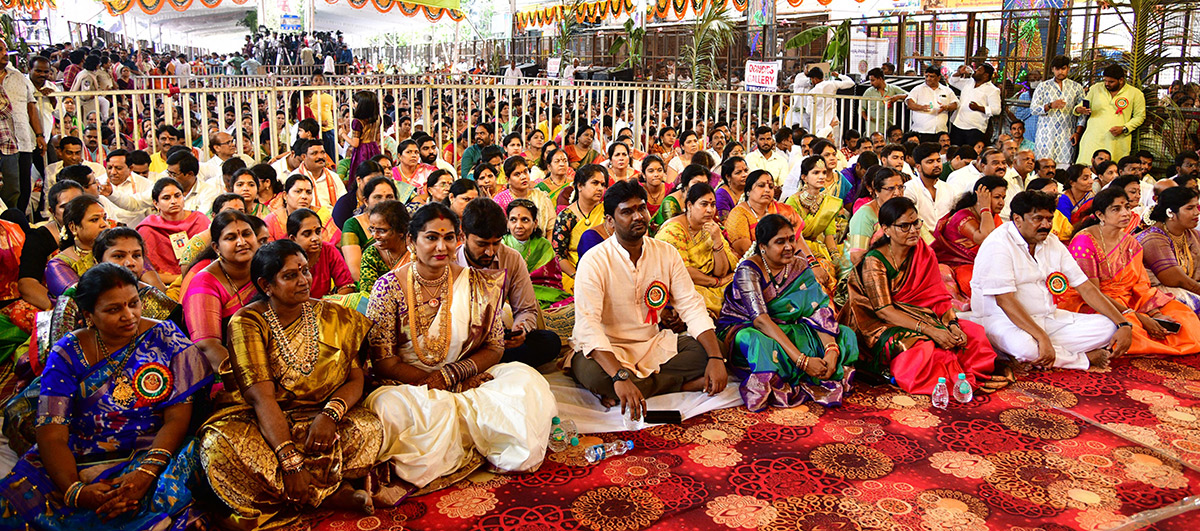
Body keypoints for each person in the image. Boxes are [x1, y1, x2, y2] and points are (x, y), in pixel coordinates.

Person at [0, 264, 211, 530]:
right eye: (114, 309)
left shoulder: (166, 338)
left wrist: (145, 473)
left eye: (134, 303)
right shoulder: (67, 352)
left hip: (149, 450)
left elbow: (177, 419)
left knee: (171, 485)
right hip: (82, 451)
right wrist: (75, 491)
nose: (129, 315)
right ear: (89, 315)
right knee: (17, 498)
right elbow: (52, 432)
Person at [364, 203, 553, 488]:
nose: (441, 246)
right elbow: (383, 361)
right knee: (390, 410)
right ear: (411, 241)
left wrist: (455, 376)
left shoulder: (478, 282)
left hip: (466, 377)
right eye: (431, 237)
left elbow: (495, 346)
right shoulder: (388, 287)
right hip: (408, 386)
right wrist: (440, 382)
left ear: (458, 239)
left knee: (526, 382)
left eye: (449, 237)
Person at [200, 240, 379, 529]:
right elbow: (260, 398)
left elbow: (355, 377)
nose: (303, 281)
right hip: (261, 420)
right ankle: (324, 493)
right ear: (266, 284)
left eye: (305, 271)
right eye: (290, 276)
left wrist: (330, 414)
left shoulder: (335, 315)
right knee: (219, 446)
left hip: (317, 416)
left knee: (368, 426)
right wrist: (290, 461)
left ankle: (304, 495)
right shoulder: (248, 321)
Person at [569, 180, 728, 420]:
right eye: (627, 211)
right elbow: (587, 325)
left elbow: (691, 306)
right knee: (595, 376)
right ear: (610, 222)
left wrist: (716, 358)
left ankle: (634, 388)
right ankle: (679, 384)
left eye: (641, 208)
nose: (638, 216)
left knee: (714, 349)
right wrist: (619, 376)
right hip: (608, 348)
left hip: (652, 344)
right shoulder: (594, 261)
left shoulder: (666, 253)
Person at [844, 197, 1002, 394]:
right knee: (923, 345)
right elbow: (884, 311)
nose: (913, 230)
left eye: (916, 223)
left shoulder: (923, 252)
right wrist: (931, 330)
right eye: (904, 226)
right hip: (875, 324)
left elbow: (938, 297)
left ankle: (964, 374)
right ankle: (949, 380)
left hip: (919, 315)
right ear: (886, 229)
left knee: (972, 333)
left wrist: (951, 324)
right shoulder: (874, 262)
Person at [971, 191, 1133, 370]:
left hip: (1047, 318)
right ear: (1017, 219)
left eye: (1049, 219)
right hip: (1002, 319)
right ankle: (1081, 359)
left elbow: (1085, 287)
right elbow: (1004, 300)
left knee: (1108, 327)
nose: (1046, 225)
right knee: (1026, 347)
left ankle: (1033, 354)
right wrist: (1041, 337)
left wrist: (1123, 323)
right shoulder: (998, 244)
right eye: (1038, 219)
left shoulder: (1051, 242)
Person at [717, 214, 858, 410]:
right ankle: (786, 377)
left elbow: (818, 309)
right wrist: (802, 360)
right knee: (757, 342)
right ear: (763, 246)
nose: (789, 246)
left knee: (846, 335)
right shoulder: (748, 270)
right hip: (749, 329)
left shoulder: (799, 265)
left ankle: (824, 370)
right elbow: (761, 321)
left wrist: (831, 352)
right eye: (780, 242)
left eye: (791, 239)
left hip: (789, 327)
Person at [1061, 187, 1200, 356]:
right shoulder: (1084, 242)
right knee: (1125, 327)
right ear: (1100, 215)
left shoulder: (1131, 243)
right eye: (1116, 209)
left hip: (1130, 300)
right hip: (1095, 303)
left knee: (1181, 314)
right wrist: (1140, 317)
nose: (1126, 213)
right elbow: (1091, 292)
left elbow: (1141, 285)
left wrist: (1155, 313)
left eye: (1127, 207)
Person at [457, 198, 563, 368]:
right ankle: (479, 363)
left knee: (549, 342)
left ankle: (484, 362)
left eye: (496, 243)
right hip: (457, 341)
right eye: (482, 244)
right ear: (463, 236)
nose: (490, 252)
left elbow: (526, 309)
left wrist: (520, 329)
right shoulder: (449, 262)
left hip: (496, 341)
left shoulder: (511, 258)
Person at [181, 210, 260, 375]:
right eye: (231, 238)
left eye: (247, 234)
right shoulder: (204, 283)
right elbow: (207, 347)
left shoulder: (265, 270)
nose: (242, 242)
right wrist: (253, 379)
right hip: (225, 374)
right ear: (216, 247)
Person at [655, 182, 736, 316]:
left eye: (713, 205)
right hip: (685, 285)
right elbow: (681, 271)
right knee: (698, 298)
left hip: (712, 284)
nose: (710, 210)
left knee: (742, 283)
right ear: (689, 205)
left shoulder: (711, 227)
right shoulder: (672, 231)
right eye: (704, 204)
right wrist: (716, 282)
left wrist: (717, 240)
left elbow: (721, 272)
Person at [932, 175, 1007, 298]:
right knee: (976, 285)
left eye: (1003, 198)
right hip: (959, 265)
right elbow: (986, 239)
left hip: (985, 264)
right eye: (997, 197)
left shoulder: (992, 216)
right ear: (981, 197)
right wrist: (985, 208)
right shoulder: (963, 217)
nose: (1001, 203)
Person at [135, 178, 210, 285]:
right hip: (162, 287)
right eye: (166, 198)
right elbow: (144, 271)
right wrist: (181, 280)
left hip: (202, 281)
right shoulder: (148, 228)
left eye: (177, 196)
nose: (173, 201)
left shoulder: (200, 220)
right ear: (156, 204)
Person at [1138, 186, 1200, 315]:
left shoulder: (1193, 235)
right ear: (1170, 213)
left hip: (1188, 288)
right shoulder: (1153, 239)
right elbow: (1174, 279)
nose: (1197, 212)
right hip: (1160, 294)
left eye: (1196, 207)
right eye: (1190, 208)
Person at [785, 155, 845, 282]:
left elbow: (829, 235)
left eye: (824, 172)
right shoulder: (792, 201)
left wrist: (835, 257)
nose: (822, 176)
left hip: (820, 249)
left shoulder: (828, 202)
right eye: (816, 173)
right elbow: (792, 235)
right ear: (804, 177)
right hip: (798, 250)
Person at [504, 198, 571, 309]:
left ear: (535, 223)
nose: (518, 225)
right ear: (507, 223)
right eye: (513, 220)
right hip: (507, 296)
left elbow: (552, 282)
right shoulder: (500, 244)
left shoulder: (543, 245)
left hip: (542, 294)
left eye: (525, 220)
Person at [552, 164, 607, 294]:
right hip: (573, 274)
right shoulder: (566, 217)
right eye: (595, 183)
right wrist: (578, 276)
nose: (600, 188)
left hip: (605, 271)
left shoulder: (607, 212)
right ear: (580, 186)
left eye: (602, 184)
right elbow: (558, 255)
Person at [1076, 64, 1146, 164]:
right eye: (1105, 80)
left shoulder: (1135, 93)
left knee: (1112, 171)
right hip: (1093, 138)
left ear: (1121, 80)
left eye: (1111, 82)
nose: (1107, 84)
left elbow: (1140, 116)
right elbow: (1083, 104)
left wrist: (1124, 128)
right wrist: (1079, 109)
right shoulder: (1096, 88)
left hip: (1117, 141)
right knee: (1086, 168)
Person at [44, 195, 105, 299]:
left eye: (104, 218)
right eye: (95, 220)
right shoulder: (58, 264)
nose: (104, 224)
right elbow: (79, 298)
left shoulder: (114, 250)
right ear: (73, 227)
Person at [287, 208, 354, 298]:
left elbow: (347, 286)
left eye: (318, 232)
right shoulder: (285, 257)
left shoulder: (328, 250)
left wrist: (325, 304)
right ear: (293, 239)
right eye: (307, 234)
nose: (315, 238)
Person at [846, 167, 906, 265]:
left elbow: (925, 244)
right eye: (891, 188)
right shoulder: (865, 214)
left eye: (900, 187)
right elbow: (857, 257)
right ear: (877, 191)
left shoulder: (905, 209)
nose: (897, 193)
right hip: (871, 270)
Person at [264, 174, 339, 245]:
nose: (304, 196)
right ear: (285, 195)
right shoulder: (272, 221)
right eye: (298, 191)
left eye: (308, 192)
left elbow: (338, 244)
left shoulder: (321, 215)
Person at [493, 156, 556, 236]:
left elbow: (551, 228)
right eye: (517, 174)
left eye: (525, 172)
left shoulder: (541, 197)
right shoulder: (500, 200)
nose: (523, 177)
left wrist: (546, 247)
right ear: (508, 179)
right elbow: (498, 232)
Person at [904, 142, 955, 236]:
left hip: (945, 241)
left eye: (938, 160)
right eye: (930, 162)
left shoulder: (949, 189)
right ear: (918, 167)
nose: (936, 165)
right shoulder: (909, 188)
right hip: (919, 241)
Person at [947, 64, 1001, 148]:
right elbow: (952, 81)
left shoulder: (993, 90)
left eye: (979, 70)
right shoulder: (969, 82)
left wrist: (979, 108)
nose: (975, 71)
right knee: (955, 151)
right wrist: (958, 72)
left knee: (969, 154)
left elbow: (996, 110)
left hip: (974, 128)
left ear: (985, 75)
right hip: (957, 124)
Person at [905, 66, 959, 143]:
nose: (928, 79)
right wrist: (921, 107)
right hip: (921, 131)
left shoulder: (947, 90)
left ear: (939, 77)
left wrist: (946, 107)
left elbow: (955, 104)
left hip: (940, 131)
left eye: (932, 76)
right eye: (926, 76)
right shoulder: (918, 89)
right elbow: (909, 103)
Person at [652, 164, 709, 229]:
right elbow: (674, 228)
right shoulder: (670, 202)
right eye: (696, 183)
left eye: (705, 184)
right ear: (686, 183)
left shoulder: (704, 199)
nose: (701, 188)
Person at [1051, 164, 1095, 241]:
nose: (1091, 181)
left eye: (1091, 177)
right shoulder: (1063, 200)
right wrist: (1086, 220)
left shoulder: (1091, 197)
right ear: (1072, 182)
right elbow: (1065, 230)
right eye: (1085, 179)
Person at [861, 67, 908, 137]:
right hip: (873, 128)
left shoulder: (893, 89)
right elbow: (862, 108)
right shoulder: (868, 92)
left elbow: (909, 95)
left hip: (888, 126)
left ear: (880, 79)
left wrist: (898, 97)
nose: (871, 83)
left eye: (873, 80)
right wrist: (866, 117)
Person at [346, 91, 381, 180]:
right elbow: (378, 138)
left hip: (362, 151)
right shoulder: (377, 118)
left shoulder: (357, 121)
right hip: (374, 147)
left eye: (355, 102)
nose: (354, 105)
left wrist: (343, 134)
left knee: (362, 175)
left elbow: (355, 143)